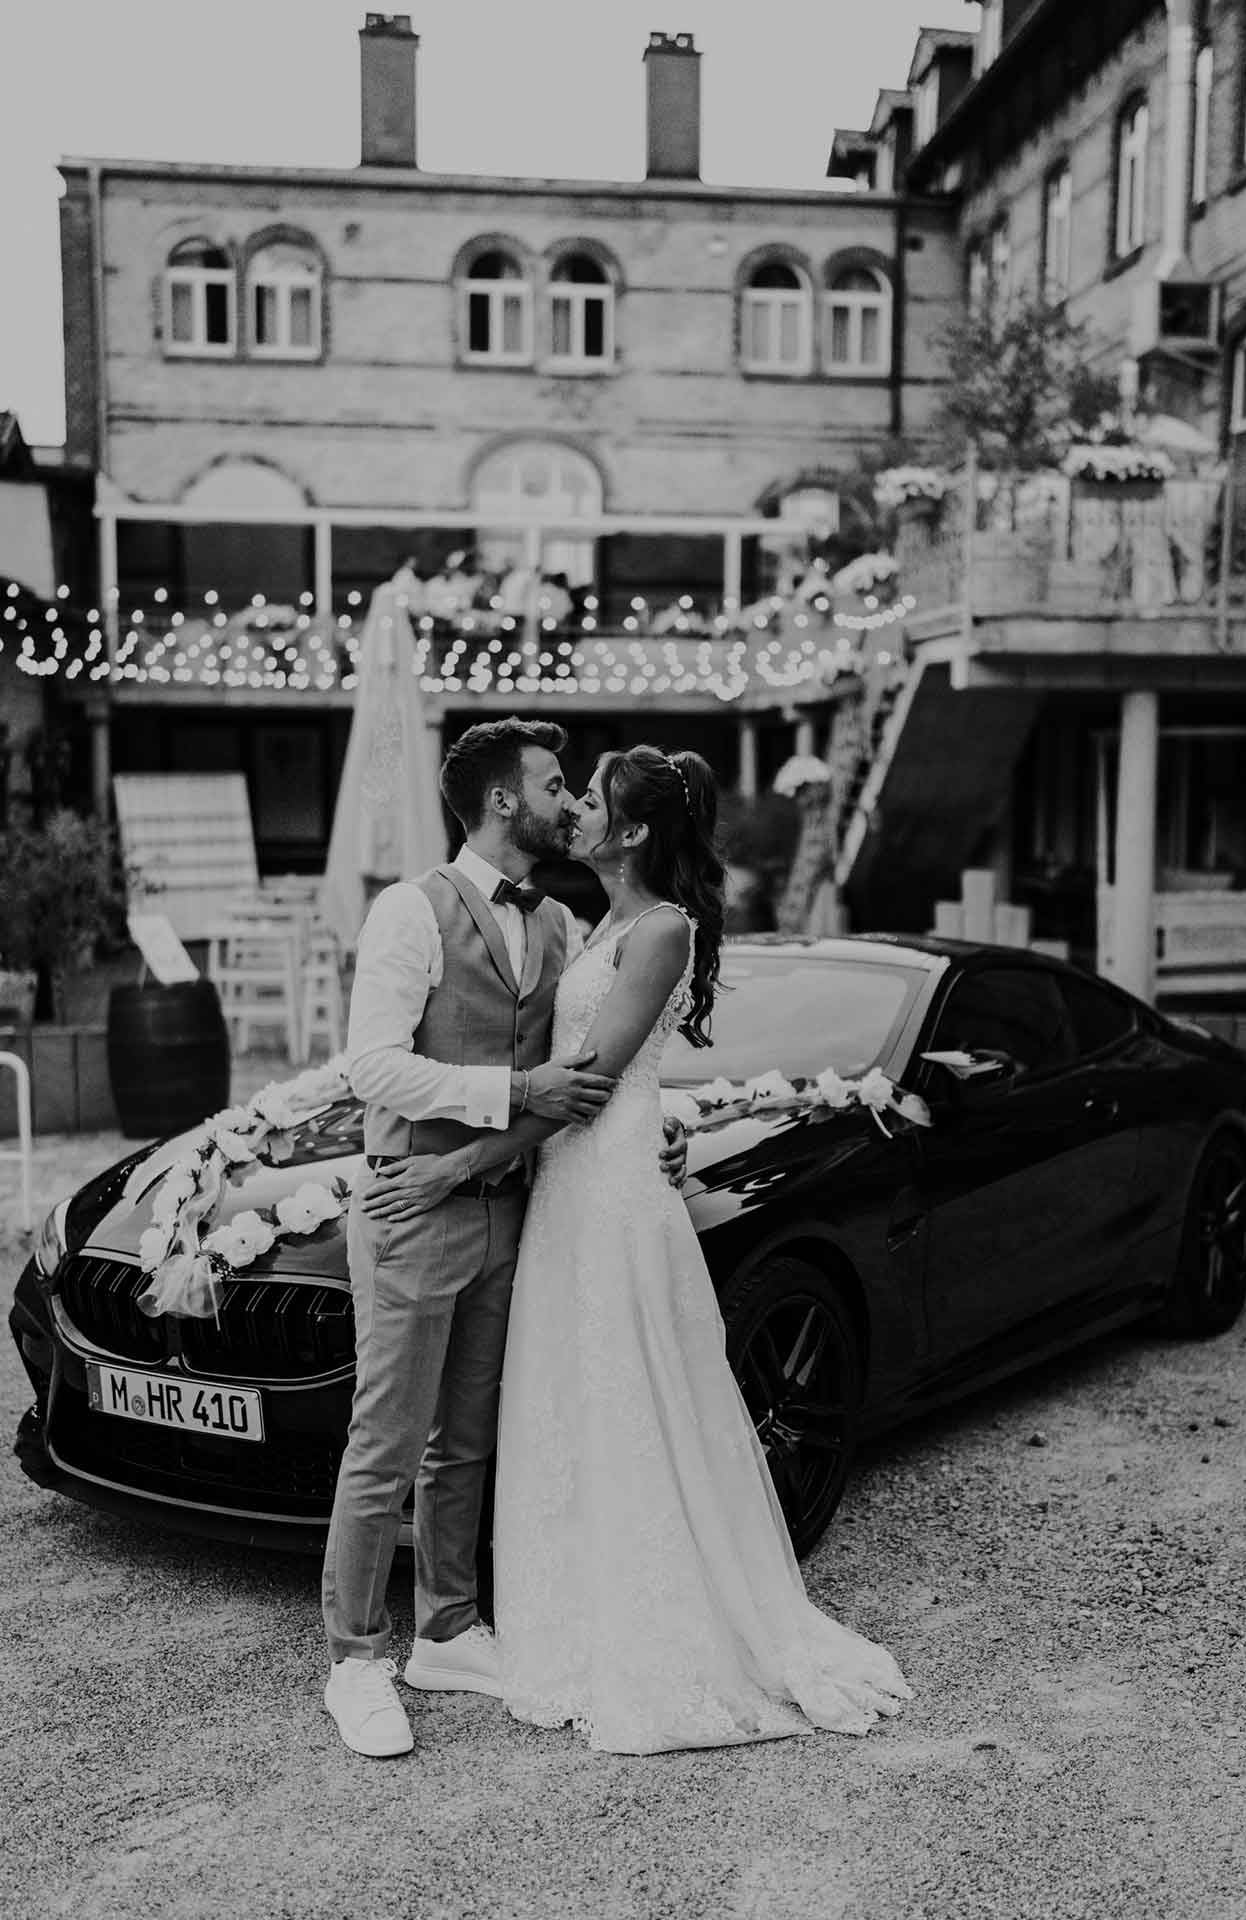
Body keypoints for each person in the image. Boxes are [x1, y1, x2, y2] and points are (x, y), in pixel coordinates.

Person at [390, 745, 913, 1754]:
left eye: (590, 802)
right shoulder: (601, 924)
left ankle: (654, 1632)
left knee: (629, 1398)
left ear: (631, 833)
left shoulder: (662, 928)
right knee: (568, 1401)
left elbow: (587, 1081)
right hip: (569, 1194)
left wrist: (454, 1170)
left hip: (612, 1195)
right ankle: (564, 1615)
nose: (574, 811)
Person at [321, 717, 686, 1758]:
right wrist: (510, 1090)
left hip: (519, 1208)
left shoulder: (565, 924)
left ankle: (445, 1626)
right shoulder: (409, 911)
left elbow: (610, 1055)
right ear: (499, 802)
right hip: (416, 1201)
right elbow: (372, 1067)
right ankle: (355, 1660)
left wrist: (665, 1135)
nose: (570, 800)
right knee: (385, 1444)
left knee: (466, 1440)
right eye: (553, 782)